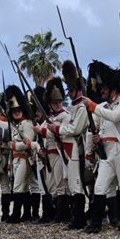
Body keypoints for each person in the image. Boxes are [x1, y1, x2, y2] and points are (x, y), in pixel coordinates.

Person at [82, 60, 120, 234]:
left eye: (105, 87)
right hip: (106, 151)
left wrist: (92, 105)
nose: (101, 90)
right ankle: (96, 223)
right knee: (99, 187)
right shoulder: (105, 106)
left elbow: (114, 117)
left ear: (113, 87)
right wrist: (97, 138)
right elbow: (103, 125)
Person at [47, 60, 89, 230]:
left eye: (72, 89)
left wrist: (57, 128)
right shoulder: (74, 108)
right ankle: (77, 217)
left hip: (77, 150)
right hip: (68, 150)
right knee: (72, 184)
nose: (69, 93)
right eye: (69, 90)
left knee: (77, 184)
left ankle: (79, 219)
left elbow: (75, 128)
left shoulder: (82, 108)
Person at [33, 79, 72, 224]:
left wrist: (42, 131)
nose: (58, 104)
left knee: (61, 184)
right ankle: (56, 213)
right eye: (55, 102)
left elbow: (60, 134)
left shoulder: (65, 116)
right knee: (52, 186)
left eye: (59, 101)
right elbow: (41, 137)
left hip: (60, 154)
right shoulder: (49, 118)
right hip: (48, 154)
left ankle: (63, 214)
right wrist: (40, 147)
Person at [4, 85, 36, 224]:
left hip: (24, 158)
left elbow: (28, 142)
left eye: (18, 110)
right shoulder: (14, 125)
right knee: (22, 187)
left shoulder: (27, 124)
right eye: (14, 110)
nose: (16, 112)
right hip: (16, 159)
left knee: (17, 186)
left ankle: (16, 214)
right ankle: (26, 214)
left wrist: (15, 145)